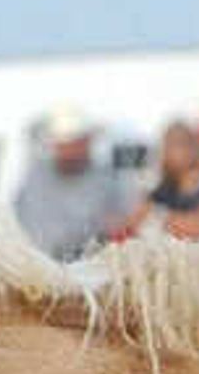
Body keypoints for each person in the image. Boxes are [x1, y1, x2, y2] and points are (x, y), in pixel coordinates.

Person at [12, 105, 133, 260]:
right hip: (39, 267)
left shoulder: (108, 178)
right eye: (63, 143)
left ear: (87, 141)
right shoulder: (34, 176)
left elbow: (123, 225)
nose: (69, 150)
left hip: (94, 268)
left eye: (75, 142)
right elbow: (20, 221)